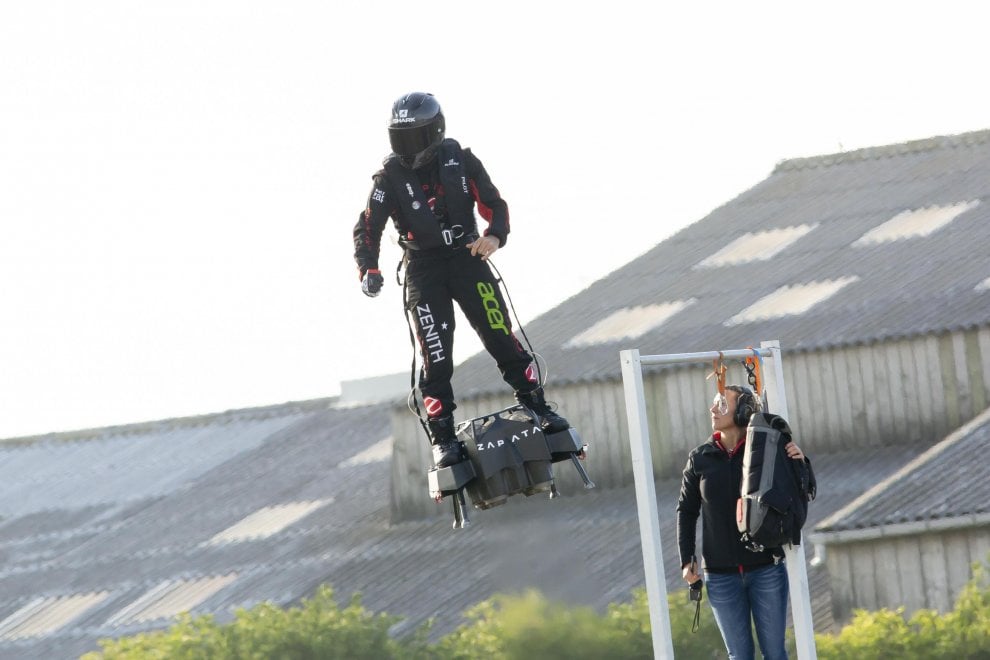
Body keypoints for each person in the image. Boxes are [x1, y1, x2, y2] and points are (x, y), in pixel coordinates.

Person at [353, 91, 569, 469]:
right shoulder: (388, 178)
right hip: (423, 270)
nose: (409, 147)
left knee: (500, 334)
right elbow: (367, 228)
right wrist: (368, 268)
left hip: (467, 259)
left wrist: (494, 236)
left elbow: (494, 204)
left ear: (435, 132)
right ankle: (443, 439)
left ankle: (538, 407)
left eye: (416, 137)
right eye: (401, 138)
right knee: (435, 357)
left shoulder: (461, 160)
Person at [676, 385, 808, 660]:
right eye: (714, 403)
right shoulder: (700, 458)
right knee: (739, 655)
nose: (713, 409)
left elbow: (797, 492)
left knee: (775, 653)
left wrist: (801, 462)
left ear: (744, 411)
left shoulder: (767, 451)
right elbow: (686, 512)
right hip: (720, 575)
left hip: (766, 568)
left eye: (723, 404)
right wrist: (687, 559)